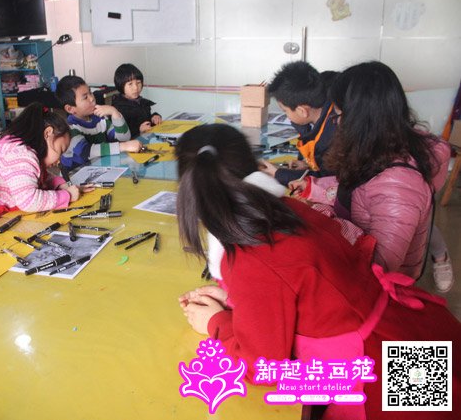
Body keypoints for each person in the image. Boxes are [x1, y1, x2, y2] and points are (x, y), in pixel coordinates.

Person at [176, 123, 461, 420]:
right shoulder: (288, 209)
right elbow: (293, 285)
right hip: (396, 330)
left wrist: (216, 323)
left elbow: (261, 368)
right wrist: (238, 300)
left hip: (372, 369)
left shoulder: (248, 256)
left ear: (191, 196)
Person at [291, 61, 453, 288]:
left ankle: (441, 257)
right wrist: (314, 188)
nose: (337, 123)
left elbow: (380, 267)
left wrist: (325, 222)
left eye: (339, 115)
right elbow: (358, 189)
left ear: (360, 118)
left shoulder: (398, 188)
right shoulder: (379, 145)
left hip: (378, 287)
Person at [0, 103, 87, 231]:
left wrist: (60, 185)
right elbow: (29, 201)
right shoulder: (21, 156)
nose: (59, 159)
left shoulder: (20, 147)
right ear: (48, 133)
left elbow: (36, 176)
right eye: (60, 150)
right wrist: (66, 195)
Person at [259, 62, 338, 185]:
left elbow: (327, 181)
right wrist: (307, 164)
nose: (286, 115)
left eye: (285, 111)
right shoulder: (320, 116)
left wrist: (278, 174)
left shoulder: (333, 135)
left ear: (302, 111)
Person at [55, 75, 141, 168]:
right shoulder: (70, 128)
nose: (92, 98)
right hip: (74, 173)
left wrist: (114, 112)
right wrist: (123, 146)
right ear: (70, 108)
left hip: (98, 167)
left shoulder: (100, 118)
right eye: (85, 97)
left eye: (90, 93)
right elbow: (87, 152)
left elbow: (124, 138)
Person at [111, 63, 162, 137]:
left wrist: (154, 117)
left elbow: (146, 120)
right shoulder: (118, 108)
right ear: (121, 85)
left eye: (138, 83)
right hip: (133, 141)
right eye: (130, 84)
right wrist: (139, 130)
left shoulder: (141, 101)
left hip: (147, 137)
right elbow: (120, 135)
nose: (136, 87)